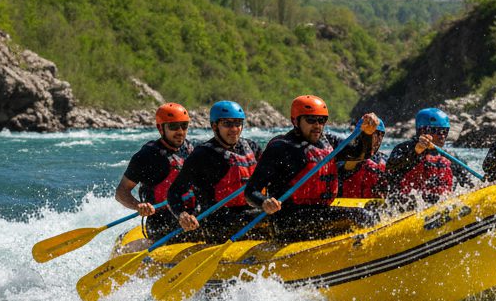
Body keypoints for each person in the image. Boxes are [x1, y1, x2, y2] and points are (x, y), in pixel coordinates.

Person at [244, 95, 381, 240]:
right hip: (288, 221)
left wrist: (367, 133)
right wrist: (264, 202)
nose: (317, 125)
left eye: (321, 120)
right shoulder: (281, 148)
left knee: (372, 211)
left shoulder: (329, 141)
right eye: (311, 120)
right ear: (295, 121)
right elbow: (251, 191)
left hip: (319, 213)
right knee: (363, 217)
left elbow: (360, 153)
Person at [166, 101, 267, 242]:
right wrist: (182, 215)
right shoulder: (202, 155)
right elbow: (174, 192)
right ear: (215, 126)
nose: (234, 129)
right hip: (217, 222)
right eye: (227, 124)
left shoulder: (252, 147)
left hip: (250, 214)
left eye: (238, 123)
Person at [114, 102, 195, 244]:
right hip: (161, 222)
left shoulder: (189, 149)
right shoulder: (147, 156)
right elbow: (121, 192)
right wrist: (137, 205)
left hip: (190, 216)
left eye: (184, 126)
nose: (180, 131)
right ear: (160, 128)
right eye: (173, 126)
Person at [378, 107, 470, 206]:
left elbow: (467, 183)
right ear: (422, 131)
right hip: (406, 208)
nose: (442, 136)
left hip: (439, 207)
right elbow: (390, 170)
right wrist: (416, 152)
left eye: (445, 131)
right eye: (437, 131)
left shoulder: (448, 156)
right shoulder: (404, 148)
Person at [338, 118, 387, 198]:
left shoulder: (383, 161)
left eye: (380, 135)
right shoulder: (343, 157)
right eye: (373, 134)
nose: (376, 139)